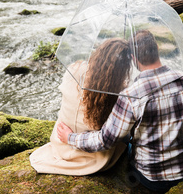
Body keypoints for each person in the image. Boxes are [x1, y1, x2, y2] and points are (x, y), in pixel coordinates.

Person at [57, 29, 183, 192]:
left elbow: (105, 140)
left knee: (124, 138)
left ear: (133, 59)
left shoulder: (131, 95)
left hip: (152, 178)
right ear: (157, 50)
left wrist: (70, 137)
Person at [30, 38, 132, 175]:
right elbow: (109, 137)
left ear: (99, 53)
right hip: (93, 158)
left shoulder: (74, 68)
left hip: (60, 143)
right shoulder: (120, 92)